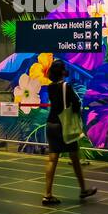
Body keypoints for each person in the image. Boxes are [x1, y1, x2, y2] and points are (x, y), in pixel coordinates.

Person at [41, 59, 95, 205]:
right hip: (64, 126)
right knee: (74, 157)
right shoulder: (66, 86)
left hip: (51, 124)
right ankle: (83, 189)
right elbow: (76, 104)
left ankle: (47, 194)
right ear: (63, 72)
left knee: (52, 159)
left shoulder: (51, 87)